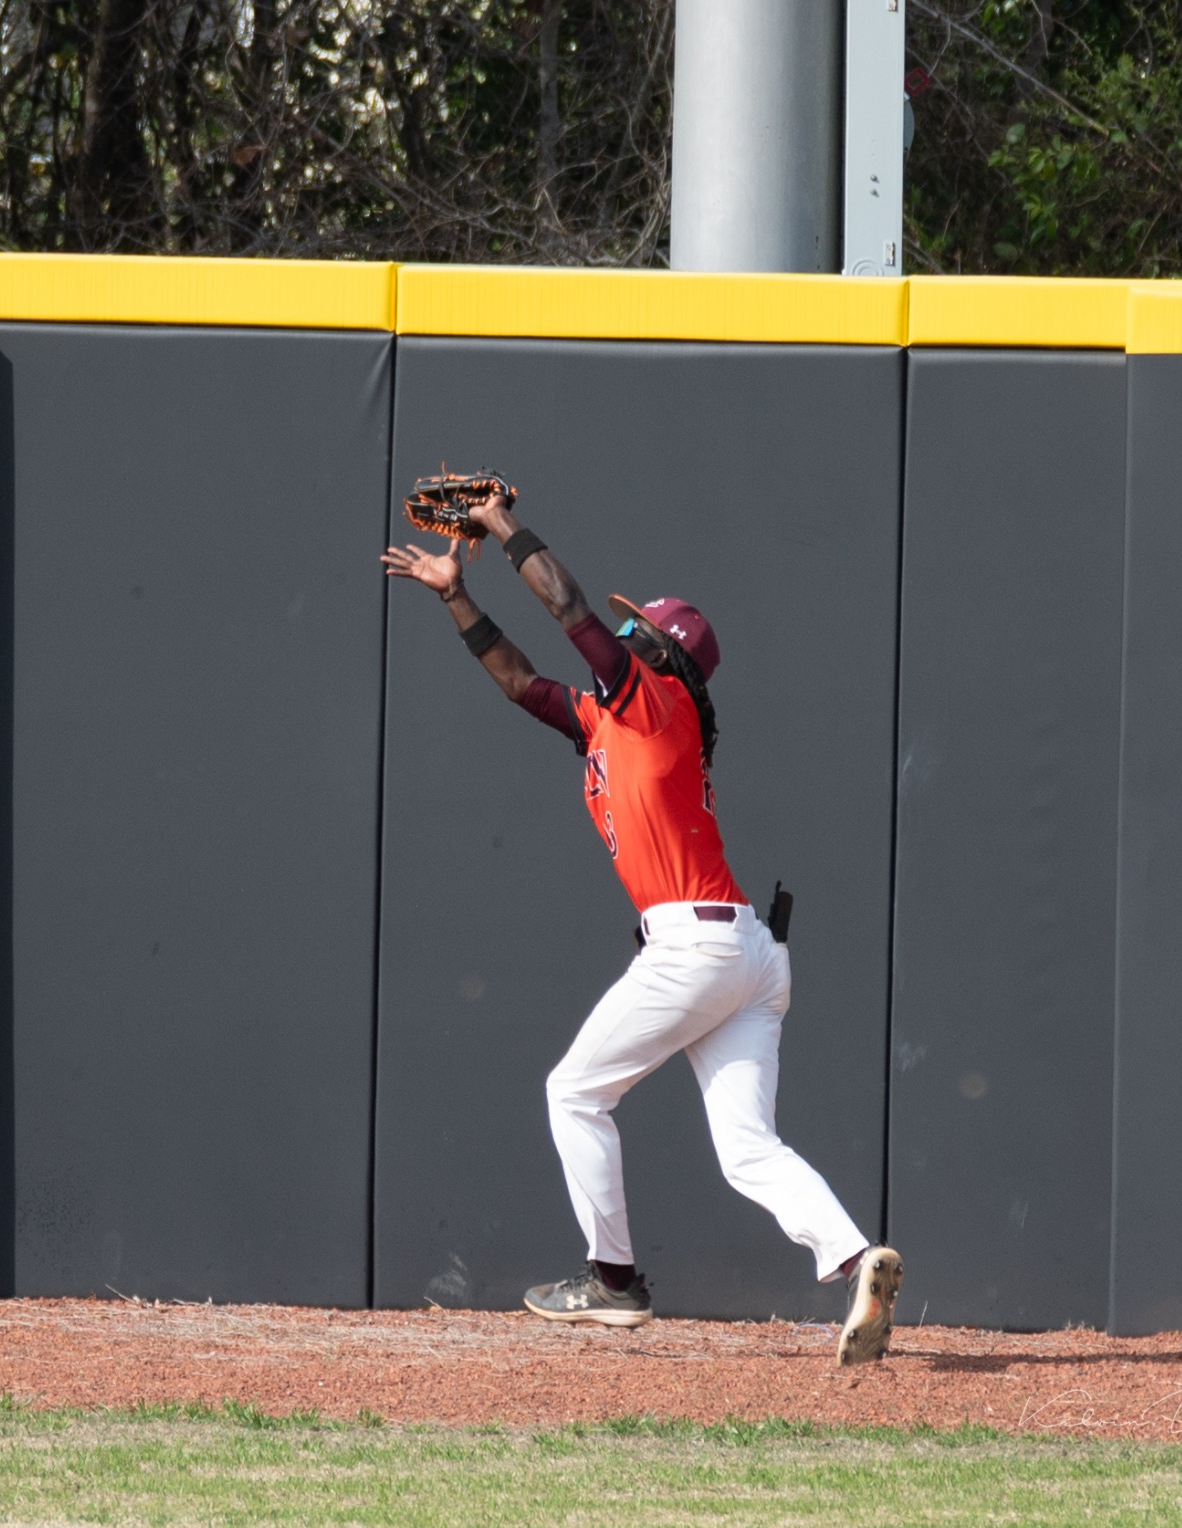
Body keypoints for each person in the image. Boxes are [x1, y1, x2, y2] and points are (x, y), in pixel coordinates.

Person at [381, 491, 904, 1365]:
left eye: (636, 633)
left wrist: (505, 521)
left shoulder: (657, 701)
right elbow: (521, 681)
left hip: (697, 948)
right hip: (746, 957)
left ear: (660, 656)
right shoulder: (609, 722)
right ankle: (858, 1258)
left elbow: (569, 609)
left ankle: (614, 1282)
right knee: (747, 1147)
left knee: (574, 1093)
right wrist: (453, 594)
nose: (618, 640)